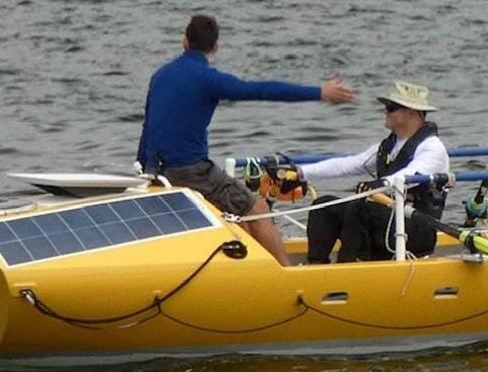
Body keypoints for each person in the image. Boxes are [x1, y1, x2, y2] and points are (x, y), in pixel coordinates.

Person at [136, 14, 355, 267]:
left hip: (155, 171)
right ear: (215, 48)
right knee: (258, 209)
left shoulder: (159, 76)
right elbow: (261, 90)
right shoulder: (208, 79)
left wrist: (143, 171)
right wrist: (320, 92)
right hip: (191, 172)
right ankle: (290, 277)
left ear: (184, 41)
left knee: (241, 215)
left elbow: (147, 127)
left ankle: (253, 269)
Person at [299, 81, 451, 263]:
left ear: (412, 113)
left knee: (359, 207)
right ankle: (316, 265)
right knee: (324, 205)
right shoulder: (388, 147)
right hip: (389, 219)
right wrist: (300, 172)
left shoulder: (432, 148)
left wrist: (383, 183)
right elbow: (349, 165)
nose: (385, 111)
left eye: (391, 107)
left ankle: (349, 266)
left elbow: (413, 174)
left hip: (418, 228)